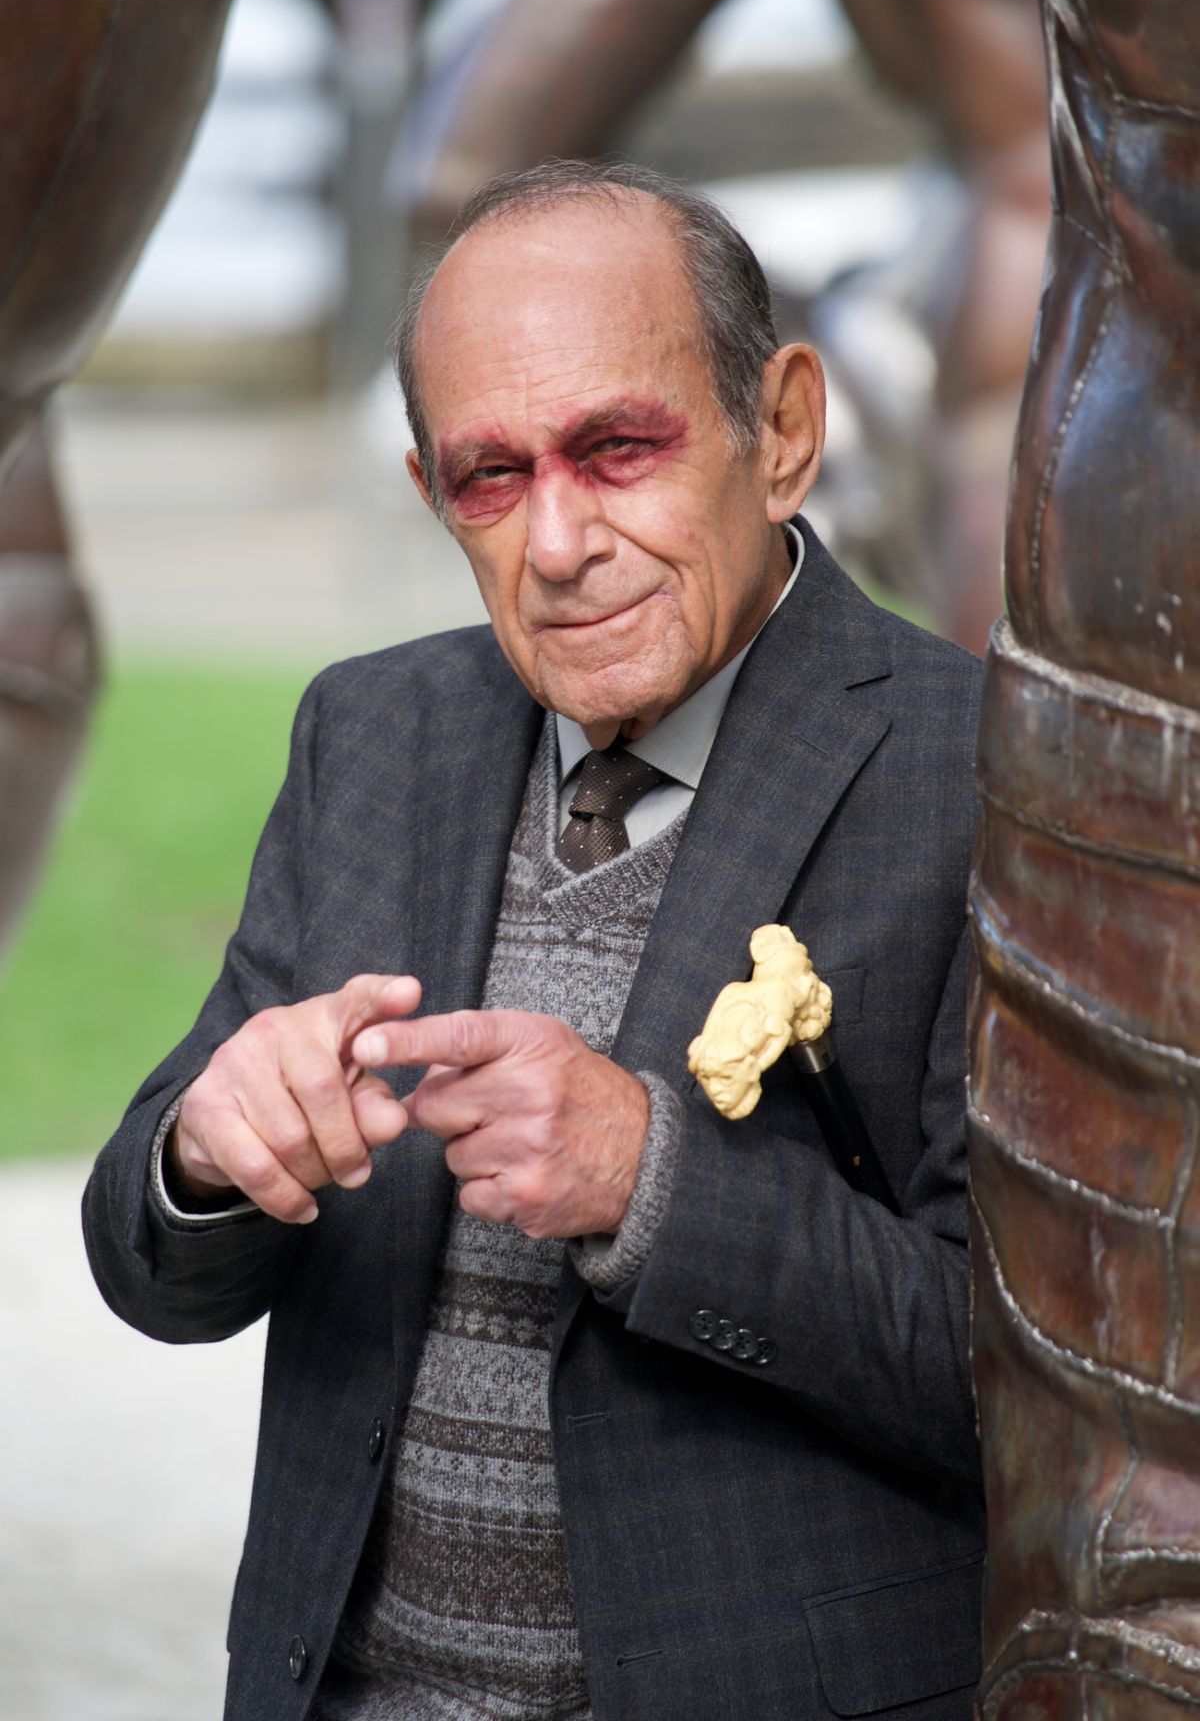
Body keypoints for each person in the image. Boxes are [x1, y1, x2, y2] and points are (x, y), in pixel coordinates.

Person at [84, 160, 985, 1721]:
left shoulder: (987, 778)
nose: (559, 541)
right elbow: (149, 1262)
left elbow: (1057, 1389)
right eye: (489, 476)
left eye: (618, 449)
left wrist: (656, 1183)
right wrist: (209, 1153)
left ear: (782, 430)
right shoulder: (374, 731)